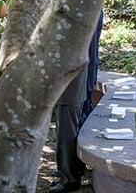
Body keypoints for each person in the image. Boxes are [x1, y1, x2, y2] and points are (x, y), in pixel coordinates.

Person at [50, 60, 88, 193]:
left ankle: (69, 179)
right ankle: (69, 174)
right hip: (71, 89)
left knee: (66, 137)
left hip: (69, 90)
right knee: (68, 134)